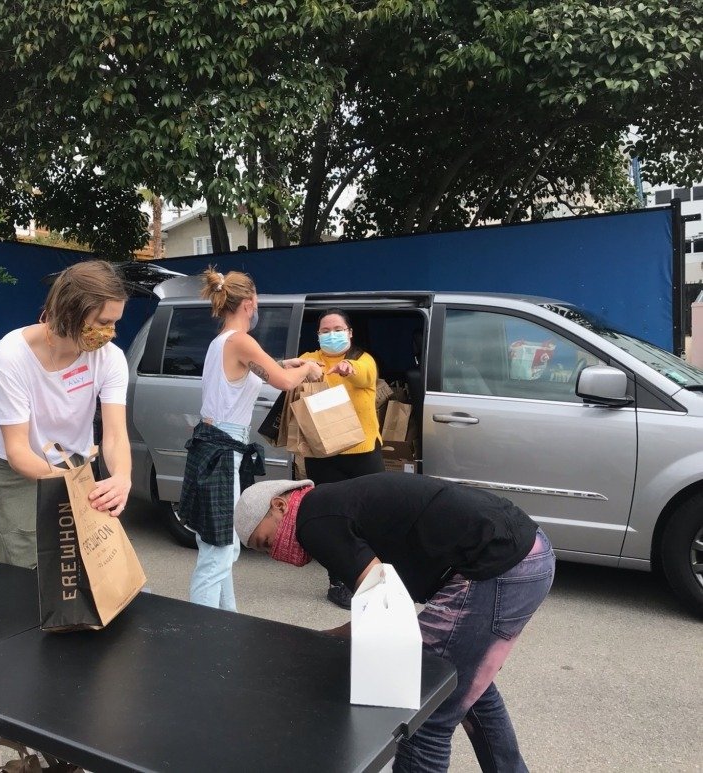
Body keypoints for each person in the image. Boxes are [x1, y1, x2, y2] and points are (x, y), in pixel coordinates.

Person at [233, 473, 554, 773]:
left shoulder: (311, 521)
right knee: (463, 684)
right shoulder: (331, 504)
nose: (273, 553)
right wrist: (330, 637)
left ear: (279, 504)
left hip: (498, 567)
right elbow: (384, 600)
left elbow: (385, 608)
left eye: (265, 541)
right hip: (527, 552)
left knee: (424, 707)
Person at [179, 267, 322, 610]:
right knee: (218, 552)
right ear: (249, 302)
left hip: (216, 444)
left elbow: (258, 369)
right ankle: (200, 631)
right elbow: (285, 383)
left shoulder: (222, 342)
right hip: (223, 450)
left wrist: (284, 363)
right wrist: (308, 369)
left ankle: (226, 621)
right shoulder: (241, 340)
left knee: (222, 544)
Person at [0, 260, 132, 568]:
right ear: (69, 312)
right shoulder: (11, 356)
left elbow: (115, 435)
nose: (110, 333)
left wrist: (122, 477)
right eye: (103, 321)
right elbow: (18, 451)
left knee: (85, 569)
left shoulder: (110, 358)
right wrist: (73, 489)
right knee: (28, 574)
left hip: (73, 463)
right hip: (17, 475)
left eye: (115, 322)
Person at [283, 309, 384, 610]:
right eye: (324, 330)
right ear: (317, 336)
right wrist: (297, 366)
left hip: (362, 451)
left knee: (371, 514)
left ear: (349, 332)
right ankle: (337, 581)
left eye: (337, 329)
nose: (331, 334)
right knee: (330, 518)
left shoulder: (362, 359)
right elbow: (289, 378)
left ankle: (373, 576)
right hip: (322, 453)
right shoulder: (310, 358)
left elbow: (367, 375)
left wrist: (348, 369)